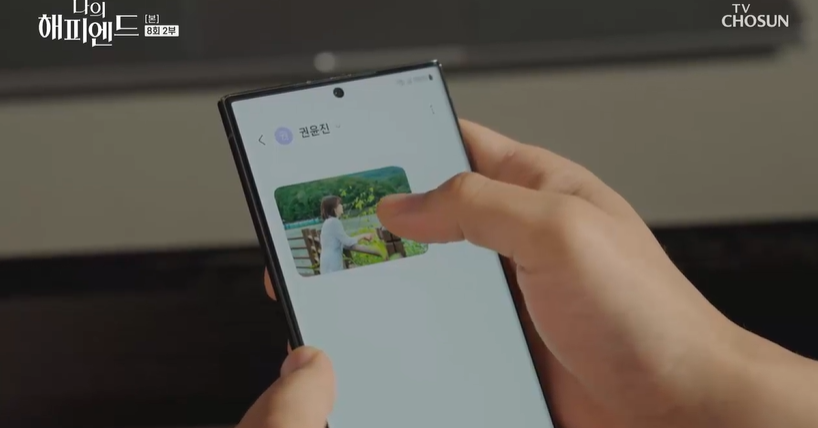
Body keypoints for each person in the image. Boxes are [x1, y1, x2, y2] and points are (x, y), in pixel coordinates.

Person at [238, 120, 818, 428]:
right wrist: (699, 387)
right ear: (334, 208)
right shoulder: (336, 228)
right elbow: (352, 243)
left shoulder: (335, 228)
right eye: (341, 204)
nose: (342, 208)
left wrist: (696, 388)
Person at [318, 195, 372, 274]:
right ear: (334, 208)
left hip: (326, 261)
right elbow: (348, 242)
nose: (341, 206)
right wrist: (363, 236)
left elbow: (342, 240)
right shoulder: (334, 222)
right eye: (339, 204)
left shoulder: (327, 222)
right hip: (332, 263)